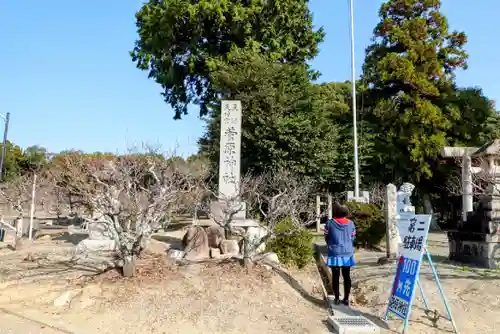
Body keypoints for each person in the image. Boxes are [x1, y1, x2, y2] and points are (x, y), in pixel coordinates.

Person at [323, 203, 356, 306]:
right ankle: (346, 299)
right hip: (347, 253)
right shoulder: (351, 223)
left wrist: (331, 245)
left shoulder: (330, 223)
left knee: (335, 276)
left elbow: (326, 237)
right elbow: (353, 237)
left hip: (334, 253)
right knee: (347, 276)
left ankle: (337, 298)